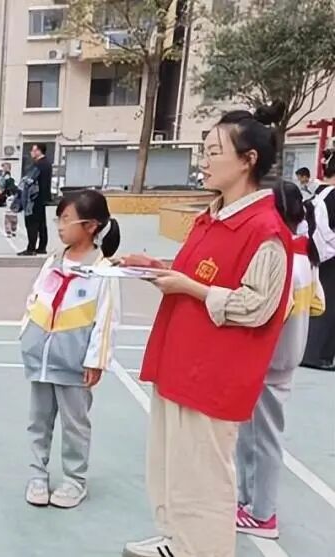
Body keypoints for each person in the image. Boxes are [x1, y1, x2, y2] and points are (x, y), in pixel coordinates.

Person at [121, 104, 293, 557]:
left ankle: (203, 549)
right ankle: (176, 539)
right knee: (172, 465)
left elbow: (256, 306)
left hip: (213, 372)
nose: (204, 160)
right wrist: (155, 268)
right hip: (181, 361)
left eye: (214, 151)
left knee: (204, 476)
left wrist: (189, 288)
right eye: (205, 150)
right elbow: (198, 273)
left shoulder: (264, 230)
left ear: (248, 160)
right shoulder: (213, 217)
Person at [235, 179, 325, 540]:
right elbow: (317, 304)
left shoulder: (283, 255)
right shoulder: (306, 254)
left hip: (268, 359)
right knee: (252, 435)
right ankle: (249, 503)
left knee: (262, 438)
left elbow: (269, 310)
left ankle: (263, 514)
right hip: (285, 357)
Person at [21, 189, 121, 510]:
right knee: (38, 421)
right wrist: (27, 335)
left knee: (75, 423)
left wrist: (96, 360)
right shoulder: (54, 261)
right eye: (58, 219)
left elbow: (107, 318)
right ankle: (37, 474)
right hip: (42, 358)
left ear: (90, 226)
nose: (60, 226)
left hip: (74, 363)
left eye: (66, 219)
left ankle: (75, 480)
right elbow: (36, 298)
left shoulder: (102, 270)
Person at [301, 149, 335, 370]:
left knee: (318, 301)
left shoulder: (316, 195)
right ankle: (319, 355)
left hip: (315, 255)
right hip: (331, 257)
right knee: (329, 304)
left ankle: (312, 352)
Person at [19, 144, 52, 256]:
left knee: (31, 223)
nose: (31, 153)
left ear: (39, 151)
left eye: (33, 150)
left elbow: (29, 180)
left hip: (34, 197)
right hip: (42, 197)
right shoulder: (47, 163)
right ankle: (42, 247)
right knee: (41, 223)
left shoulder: (38, 165)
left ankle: (31, 248)